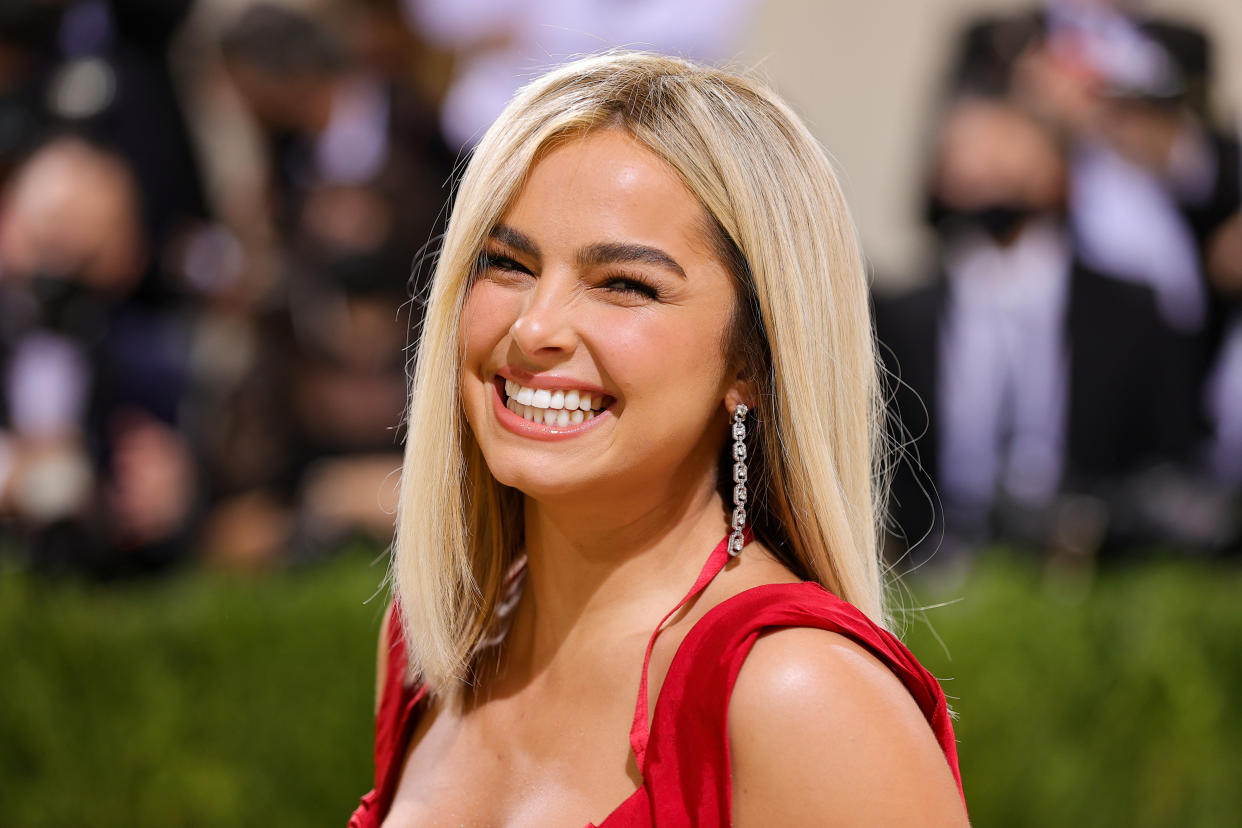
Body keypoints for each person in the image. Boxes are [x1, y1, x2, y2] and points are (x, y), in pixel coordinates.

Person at [349, 52, 968, 826]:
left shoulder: (799, 695)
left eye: (623, 285)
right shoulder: (432, 645)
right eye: (506, 264)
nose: (534, 327)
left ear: (752, 357)